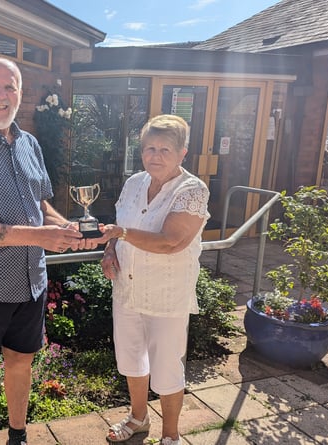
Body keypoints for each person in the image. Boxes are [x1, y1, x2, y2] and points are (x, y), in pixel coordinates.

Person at [0, 57, 99, 445]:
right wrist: (38, 237)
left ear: (20, 95)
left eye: (10, 87)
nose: (1, 95)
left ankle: (17, 435)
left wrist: (68, 226)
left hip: (31, 282)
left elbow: (41, 206)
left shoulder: (30, 145)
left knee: (21, 361)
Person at [99, 114, 210, 445]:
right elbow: (119, 228)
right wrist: (110, 251)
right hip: (128, 289)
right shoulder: (134, 182)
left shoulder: (192, 189)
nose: (155, 156)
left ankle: (171, 436)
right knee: (132, 358)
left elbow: (171, 242)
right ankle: (138, 417)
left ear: (182, 154)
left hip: (166, 295)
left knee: (166, 367)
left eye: (164, 149)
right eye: (149, 148)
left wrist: (121, 233)